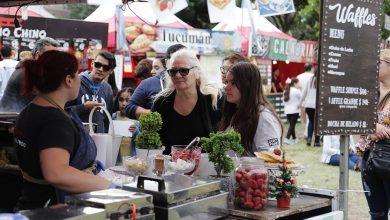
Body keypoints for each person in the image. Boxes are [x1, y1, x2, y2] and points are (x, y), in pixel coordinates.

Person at [13, 50, 111, 210]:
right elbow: (57, 173)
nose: (80, 78)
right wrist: (109, 186)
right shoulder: (55, 121)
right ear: (69, 80)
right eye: (77, 74)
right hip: (51, 208)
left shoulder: (29, 110)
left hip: (31, 202)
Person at [152, 49, 222, 155]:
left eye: (184, 70)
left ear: (197, 73)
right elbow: (154, 140)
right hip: (170, 166)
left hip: (205, 166)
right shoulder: (161, 103)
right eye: (173, 71)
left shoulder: (213, 100)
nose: (178, 75)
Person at [219, 62, 283, 155]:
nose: (227, 87)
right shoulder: (234, 112)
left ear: (248, 85)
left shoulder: (264, 118)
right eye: (226, 82)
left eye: (233, 83)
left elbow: (270, 160)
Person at [357, 49, 390, 220]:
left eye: (378, 62)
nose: (373, 66)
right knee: (377, 214)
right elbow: (355, 120)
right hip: (368, 160)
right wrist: (371, 128)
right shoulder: (368, 91)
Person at [126, 44, 185, 119]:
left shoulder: (193, 82)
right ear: (167, 62)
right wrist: (154, 113)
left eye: (184, 61)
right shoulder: (148, 83)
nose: (180, 65)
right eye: (176, 61)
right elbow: (129, 108)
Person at [0, 37, 60, 112]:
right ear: (38, 55)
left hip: (15, 118)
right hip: (9, 120)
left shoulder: (30, 70)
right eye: (51, 56)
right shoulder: (26, 72)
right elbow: (46, 99)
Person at [67, 50, 116, 133]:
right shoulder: (76, 82)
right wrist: (84, 107)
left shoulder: (107, 89)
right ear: (92, 64)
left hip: (99, 140)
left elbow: (107, 120)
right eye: (98, 65)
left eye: (106, 67)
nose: (100, 69)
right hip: (76, 137)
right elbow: (63, 112)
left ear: (111, 71)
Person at [112, 87, 139, 157]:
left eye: (128, 100)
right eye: (121, 100)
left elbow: (142, 142)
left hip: (132, 161)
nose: (124, 103)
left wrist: (136, 131)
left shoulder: (137, 120)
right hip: (115, 159)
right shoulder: (113, 117)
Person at [299, 67, 320, 146]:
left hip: (308, 105)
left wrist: (300, 102)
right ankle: (317, 142)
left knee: (311, 122)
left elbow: (304, 92)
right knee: (318, 123)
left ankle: (309, 139)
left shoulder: (310, 80)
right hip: (317, 105)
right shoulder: (322, 80)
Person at [297, 64, 314, 138]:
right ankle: (307, 133)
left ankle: (305, 131)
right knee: (309, 118)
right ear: (311, 68)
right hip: (310, 101)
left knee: (303, 118)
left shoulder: (299, 76)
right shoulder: (313, 77)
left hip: (301, 100)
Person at [283, 77, 301, 145]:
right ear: (294, 83)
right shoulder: (297, 91)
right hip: (294, 110)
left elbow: (284, 102)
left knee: (291, 125)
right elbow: (301, 99)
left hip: (287, 111)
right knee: (292, 125)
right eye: (298, 83)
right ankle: (287, 138)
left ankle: (294, 139)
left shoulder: (285, 91)